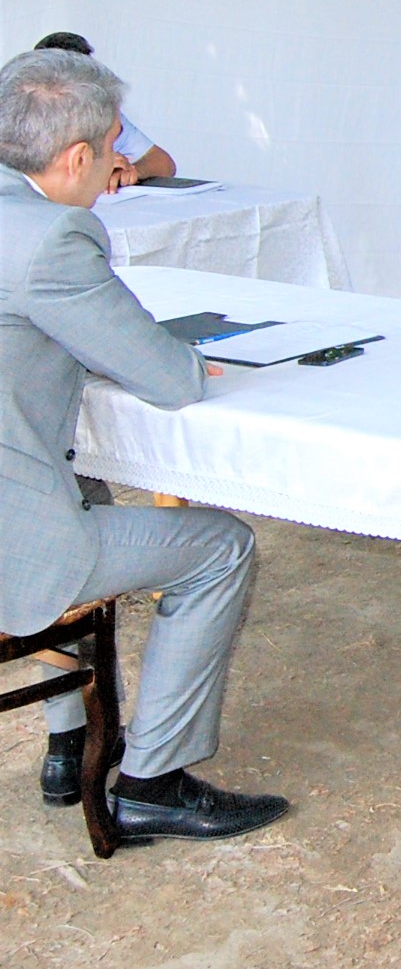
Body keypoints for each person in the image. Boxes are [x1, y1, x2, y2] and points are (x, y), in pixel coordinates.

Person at [0, 49, 290, 843]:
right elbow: (171, 379)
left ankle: (69, 738)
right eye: (111, 146)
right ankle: (154, 778)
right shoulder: (53, 238)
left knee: (83, 485)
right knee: (220, 546)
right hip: (11, 542)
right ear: (77, 157)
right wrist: (182, 351)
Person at [33, 33, 175, 189]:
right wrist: (95, 167)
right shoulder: (18, 117)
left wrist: (130, 171)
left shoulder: (100, 113)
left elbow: (164, 162)